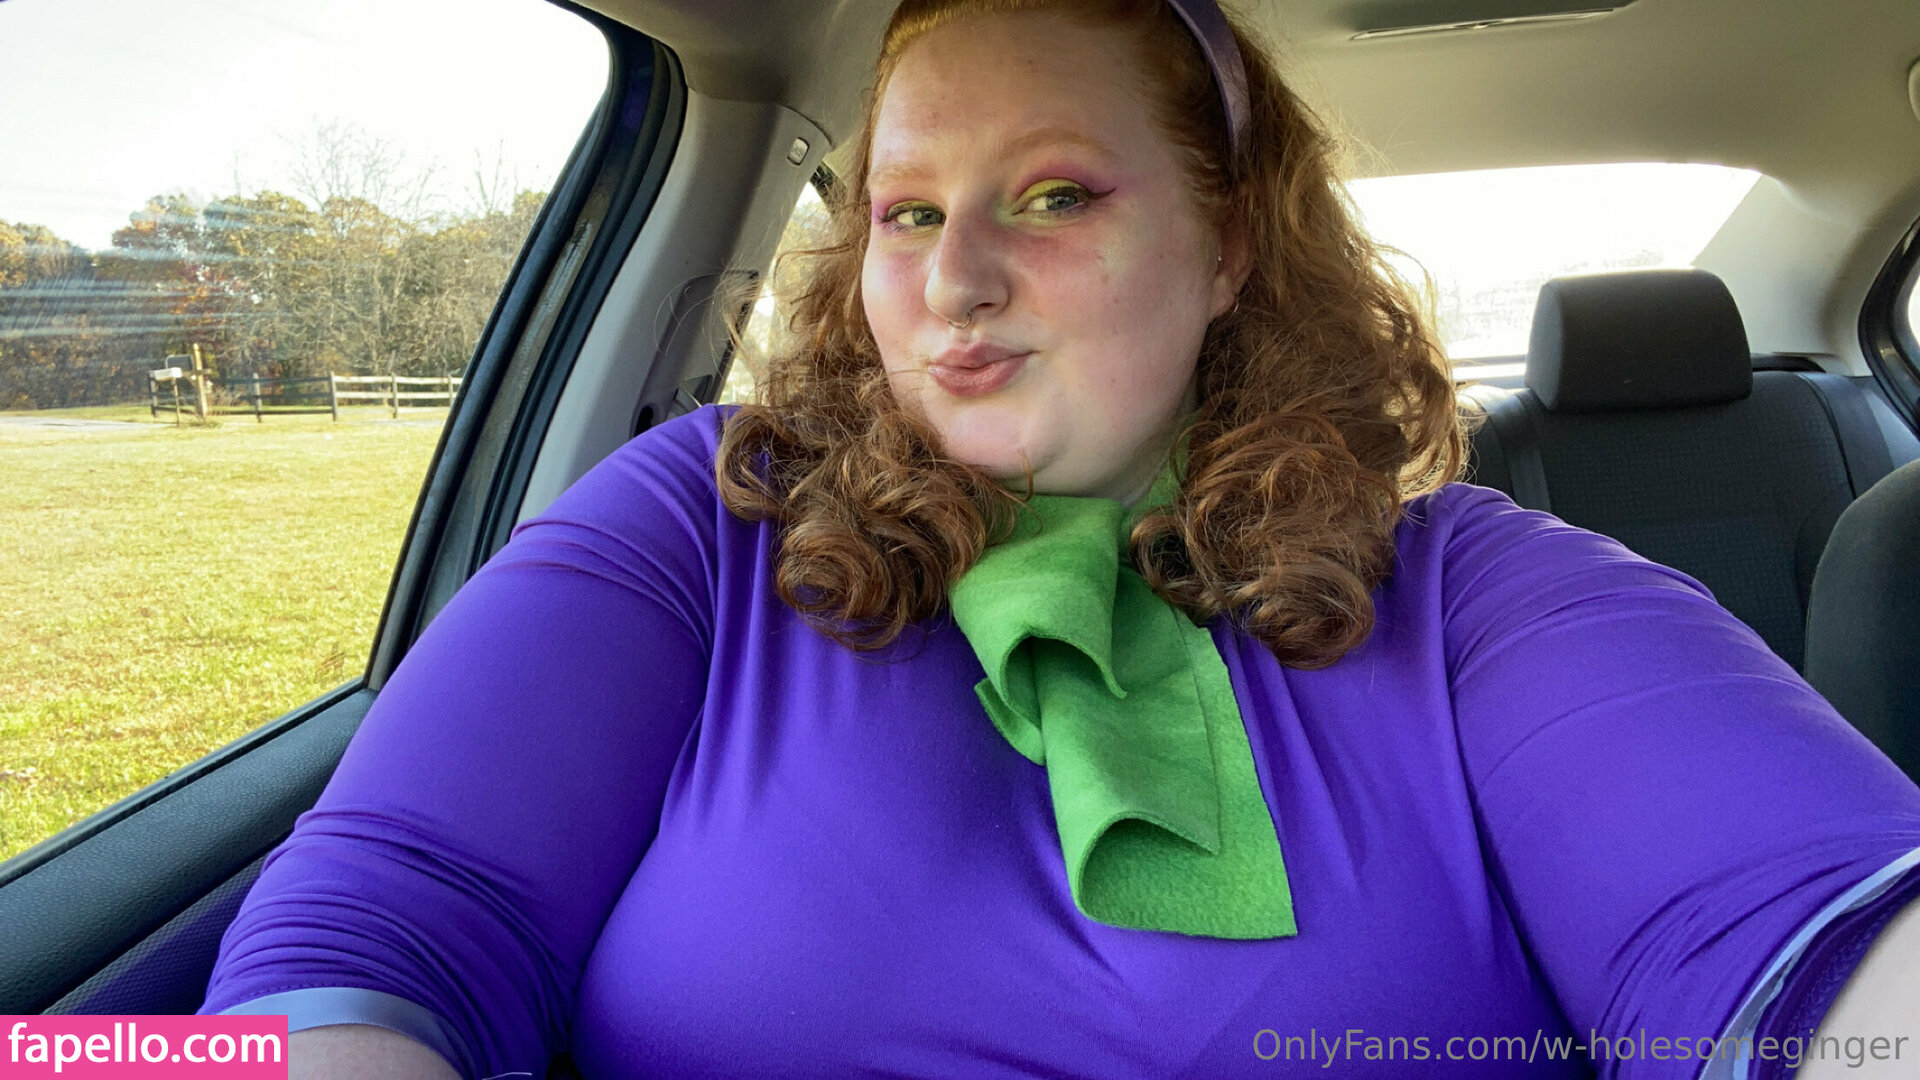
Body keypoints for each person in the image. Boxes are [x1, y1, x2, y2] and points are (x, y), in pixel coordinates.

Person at [200, 0, 1920, 1076]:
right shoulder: (705, 521)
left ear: (1228, 246)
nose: (954, 277)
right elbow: (382, 919)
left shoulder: (1479, 592)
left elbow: (1809, 942)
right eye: (908, 212)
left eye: (1053, 196)